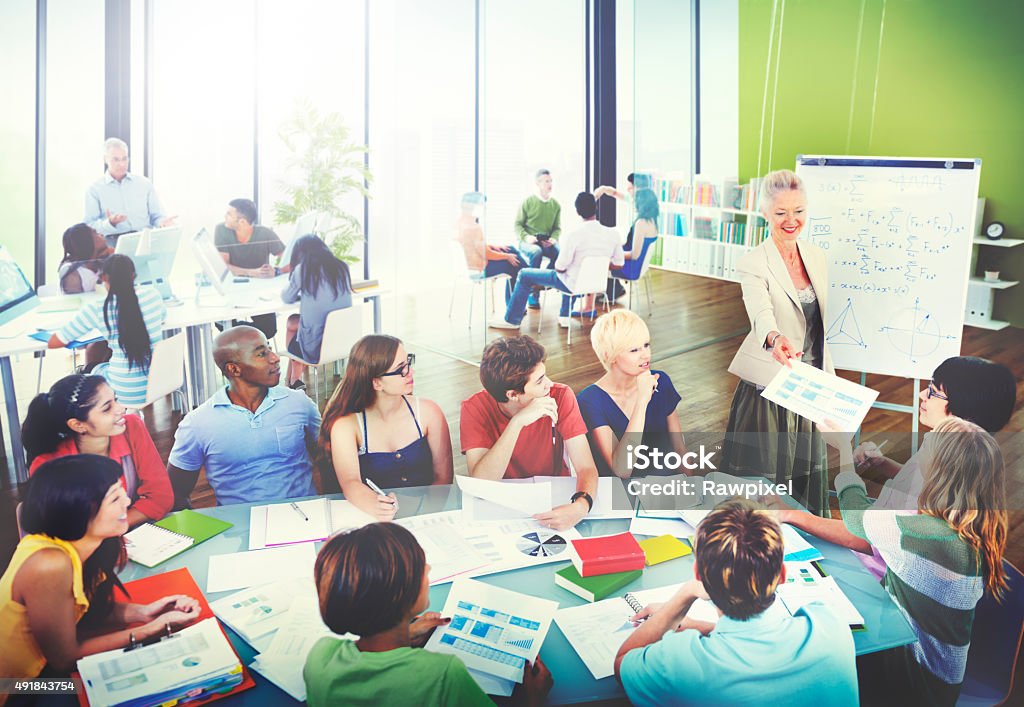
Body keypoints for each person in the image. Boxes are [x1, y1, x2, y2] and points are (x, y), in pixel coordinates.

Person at [822, 416, 1008, 706]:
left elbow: (854, 514)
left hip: (914, 683)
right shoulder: (974, 526)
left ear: (937, 470)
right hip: (936, 677)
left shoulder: (922, 534)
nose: (922, 445)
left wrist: (844, 450)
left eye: (927, 444)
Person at [776, 355, 1016, 578]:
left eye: (933, 392)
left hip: (876, 573)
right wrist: (883, 464)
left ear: (964, 408)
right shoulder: (955, 454)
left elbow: (860, 534)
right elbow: (915, 484)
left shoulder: (939, 459)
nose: (922, 394)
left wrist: (844, 449)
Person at [614, 499, 858, 707]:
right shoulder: (830, 627)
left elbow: (622, 662)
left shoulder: (681, 664)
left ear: (698, 574)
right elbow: (759, 645)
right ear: (782, 575)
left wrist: (685, 594)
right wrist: (700, 626)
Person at [0, 456, 200, 696]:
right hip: (19, 687)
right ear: (79, 511)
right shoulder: (49, 564)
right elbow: (64, 659)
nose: (128, 501)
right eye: (115, 498)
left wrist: (144, 612)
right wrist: (151, 630)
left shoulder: (91, 544)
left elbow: (86, 611)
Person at [304, 523, 552, 707]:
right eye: (420, 566)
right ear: (403, 595)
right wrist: (534, 699)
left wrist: (408, 632)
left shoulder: (320, 658)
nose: (429, 568)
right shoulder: (442, 674)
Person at [721, 169, 832, 514]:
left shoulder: (816, 256)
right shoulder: (753, 262)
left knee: (804, 479)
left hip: (809, 382)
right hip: (771, 384)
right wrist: (774, 338)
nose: (791, 220)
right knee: (764, 487)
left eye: (798, 211)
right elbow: (760, 312)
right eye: (781, 212)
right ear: (765, 213)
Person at [167, 325, 319, 507]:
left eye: (270, 349)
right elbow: (176, 493)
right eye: (262, 354)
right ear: (233, 369)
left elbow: (327, 460)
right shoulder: (197, 424)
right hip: (239, 528)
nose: (276, 358)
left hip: (305, 518)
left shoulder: (300, 403)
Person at [460, 336, 599, 530]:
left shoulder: (561, 395)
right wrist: (517, 423)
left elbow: (586, 467)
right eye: (540, 380)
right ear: (512, 395)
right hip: (503, 504)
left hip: (554, 497)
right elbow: (482, 484)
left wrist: (581, 506)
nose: (549, 384)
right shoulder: (475, 408)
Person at [317, 335, 453, 520]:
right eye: (400, 370)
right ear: (376, 382)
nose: (410, 372)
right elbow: (350, 483)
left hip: (427, 517)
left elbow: (443, 479)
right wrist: (375, 505)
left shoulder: (429, 412)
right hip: (375, 521)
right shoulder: (346, 426)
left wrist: (424, 518)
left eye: (408, 363)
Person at [22, 374, 173, 527]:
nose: (121, 409)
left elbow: (161, 497)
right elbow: (62, 527)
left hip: (132, 532)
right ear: (78, 425)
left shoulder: (132, 427)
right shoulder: (49, 466)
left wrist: (111, 527)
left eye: (116, 400)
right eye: (107, 408)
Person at [490, 192, 624, 330]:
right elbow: (619, 264)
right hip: (597, 285)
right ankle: (564, 315)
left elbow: (559, 267)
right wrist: (596, 268)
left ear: (577, 212)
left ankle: (512, 321)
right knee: (571, 272)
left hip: (572, 285)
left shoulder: (574, 235)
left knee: (525, 274)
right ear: (596, 208)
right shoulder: (613, 234)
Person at [48, 254, 166, 407]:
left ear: (104, 278)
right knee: (102, 358)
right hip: (159, 383)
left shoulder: (98, 308)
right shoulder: (153, 295)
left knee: (90, 368)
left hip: (121, 391)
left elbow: (55, 342)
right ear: (134, 275)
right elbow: (163, 316)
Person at [578, 310, 686, 478]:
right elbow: (622, 470)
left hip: (667, 488)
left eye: (646, 345)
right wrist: (642, 402)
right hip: (624, 497)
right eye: (634, 350)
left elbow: (679, 449)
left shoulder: (661, 381)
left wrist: (692, 486)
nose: (646, 355)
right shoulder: (590, 401)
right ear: (609, 355)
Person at [282, 234, 354, 387]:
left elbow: (287, 297)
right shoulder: (342, 266)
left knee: (291, 323)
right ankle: (294, 379)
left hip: (315, 349)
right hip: (342, 341)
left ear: (301, 254)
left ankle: (294, 380)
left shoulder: (303, 270)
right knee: (296, 321)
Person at [214, 197, 286, 339]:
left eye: (229, 214)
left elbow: (289, 258)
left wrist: (276, 270)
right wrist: (253, 273)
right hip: (231, 291)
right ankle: (243, 349)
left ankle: (247, 347)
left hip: (259, 292)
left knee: (269, 329)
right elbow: (223, 267)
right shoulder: (222, 230)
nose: (225, 217)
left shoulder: (264, 233)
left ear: (242, 221)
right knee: (223, 325)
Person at [84, 137, 176, 245]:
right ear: (105, 159)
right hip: (113, 245)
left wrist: (162, 223)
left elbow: (157, 215)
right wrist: (109, 223)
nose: (122, 164)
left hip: (144, 240)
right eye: (116, 159)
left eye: (125, 158)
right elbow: (89, 226)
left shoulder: (144, 184)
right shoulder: (94, 190)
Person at [454, 191, 525, 303]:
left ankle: (529, 275)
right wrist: (506, 256)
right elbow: (485, 253)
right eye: (482, 205)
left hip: (470, 265)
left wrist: (494, 247)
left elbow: (472, 246)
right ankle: (528, 281)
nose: (484, 208)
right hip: (480, 267)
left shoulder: (459, 223)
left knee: (509, 248)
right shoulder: (474, 227)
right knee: (513, 263)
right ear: (472, 206)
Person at [594, 172, 651, 301]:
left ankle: (607, 289)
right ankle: (610, 288)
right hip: (632, 251)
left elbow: (634, 254)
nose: (627, 190)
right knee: (605, 249)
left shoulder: (643, 220)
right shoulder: (636, 202)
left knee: (601, 255)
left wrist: (614, 254)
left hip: (632, 262)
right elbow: (614, 193)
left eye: (630, 187)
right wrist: (602, 189)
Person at [515, 169, 562, 309]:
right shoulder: (527, 202)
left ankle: (542, 282)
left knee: (559, 253)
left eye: (551, 181)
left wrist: (553, 239)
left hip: (546, 243)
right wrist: (527, 237)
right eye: (546, 181)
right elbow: (517, 225)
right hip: (528, 242)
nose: (550, 184)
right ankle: (532, 293)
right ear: (538, 183)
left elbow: (557, 228)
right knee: (536, 252)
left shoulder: (555, 205)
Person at [57, 223, 112, 294]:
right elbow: (74, 302)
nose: (102, 235)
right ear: (86, 241)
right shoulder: (72, 273)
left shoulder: (101, 261)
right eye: (96, 233)